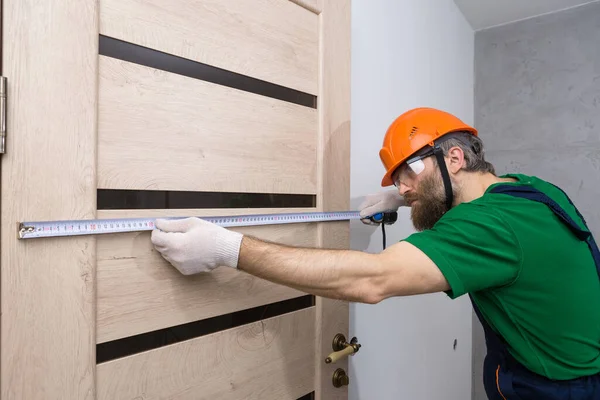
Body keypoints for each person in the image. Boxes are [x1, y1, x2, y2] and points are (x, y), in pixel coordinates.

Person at [151, 107, 600, 399]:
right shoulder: (528, 188)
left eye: (405, 175)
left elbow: (371, 280)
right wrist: (411, 197)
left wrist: (227, 248)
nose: (400, 188)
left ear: (455, 158)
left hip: (556, 389)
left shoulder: (487, 226)